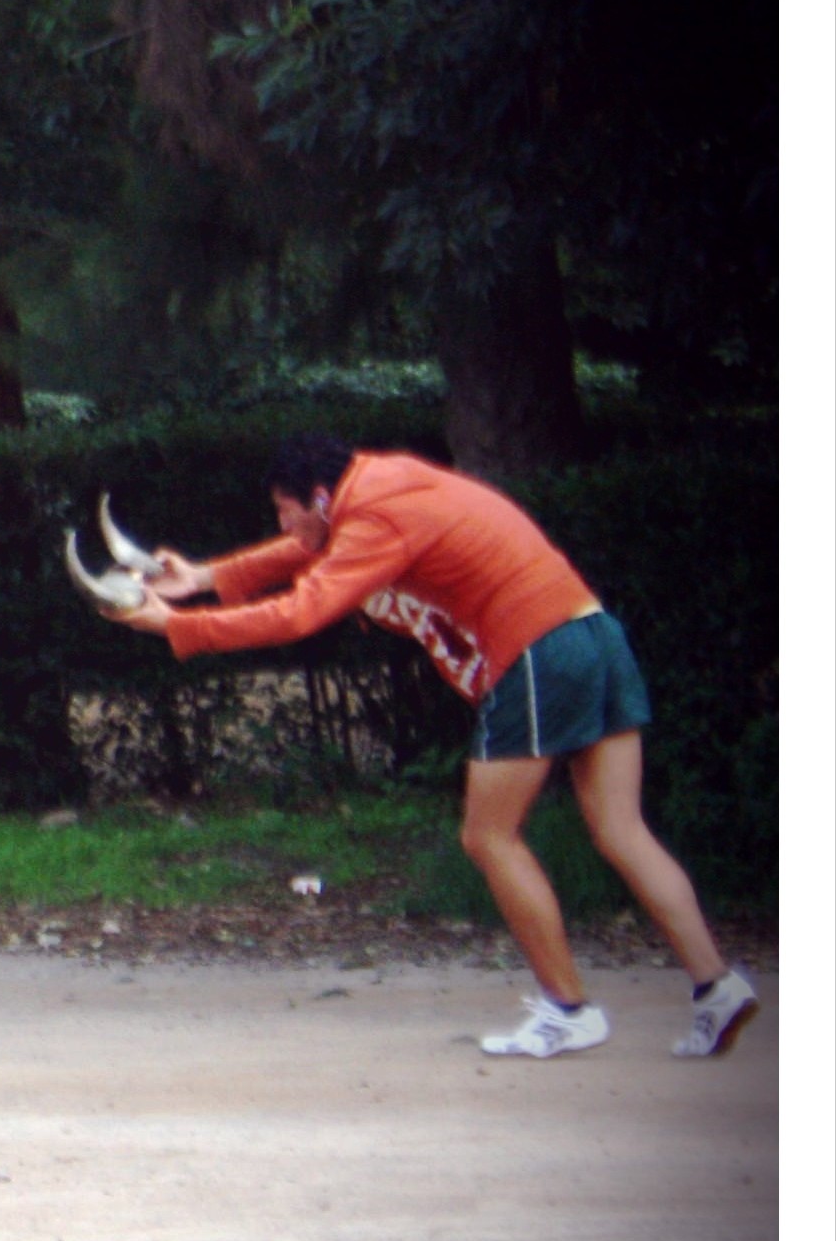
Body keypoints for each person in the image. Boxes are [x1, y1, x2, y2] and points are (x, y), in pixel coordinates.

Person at [106, 432, 753, 1061]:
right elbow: (309, 548)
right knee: (621, 829)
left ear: (322, 498)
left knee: (489, 837)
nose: (283, 524)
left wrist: (179, 626)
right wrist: (208, 576)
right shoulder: (380, 483)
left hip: (537, 650)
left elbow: (301, 612)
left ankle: (568, 1010)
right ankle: (715, 987)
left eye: (285, 509)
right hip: (595, 633)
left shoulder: (374, 517)